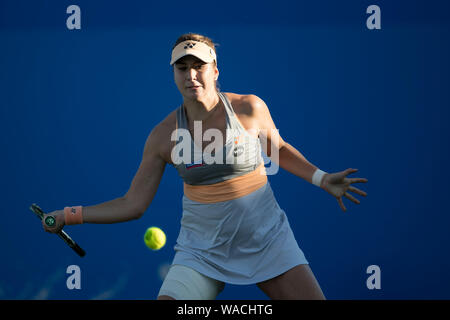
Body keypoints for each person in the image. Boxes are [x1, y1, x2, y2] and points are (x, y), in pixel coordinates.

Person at [42, 33, 368, 300]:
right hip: (201, 252)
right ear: (173, 74)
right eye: (182, 68)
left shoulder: (249, 108)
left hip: (269, 242)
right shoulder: (163, 136)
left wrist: (322, 178)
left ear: (215, 70)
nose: (190, 75)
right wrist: (68, 215)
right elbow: (133, 204)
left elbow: (277, 149)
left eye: (198, 65)